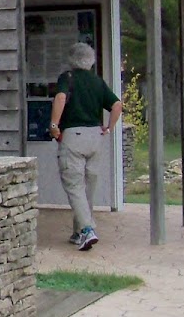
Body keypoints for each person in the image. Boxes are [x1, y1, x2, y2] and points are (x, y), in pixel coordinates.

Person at [50, 42, 122, 251]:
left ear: (71, 60)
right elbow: (117, 105)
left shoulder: (68, 78)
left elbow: (61, 97)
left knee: (74, 185)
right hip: (95, 137)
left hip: (73, 136)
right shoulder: (97, 81)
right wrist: (109, 127)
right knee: (87, 187)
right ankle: (78, 231)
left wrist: (54, 125)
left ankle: (87, 229)